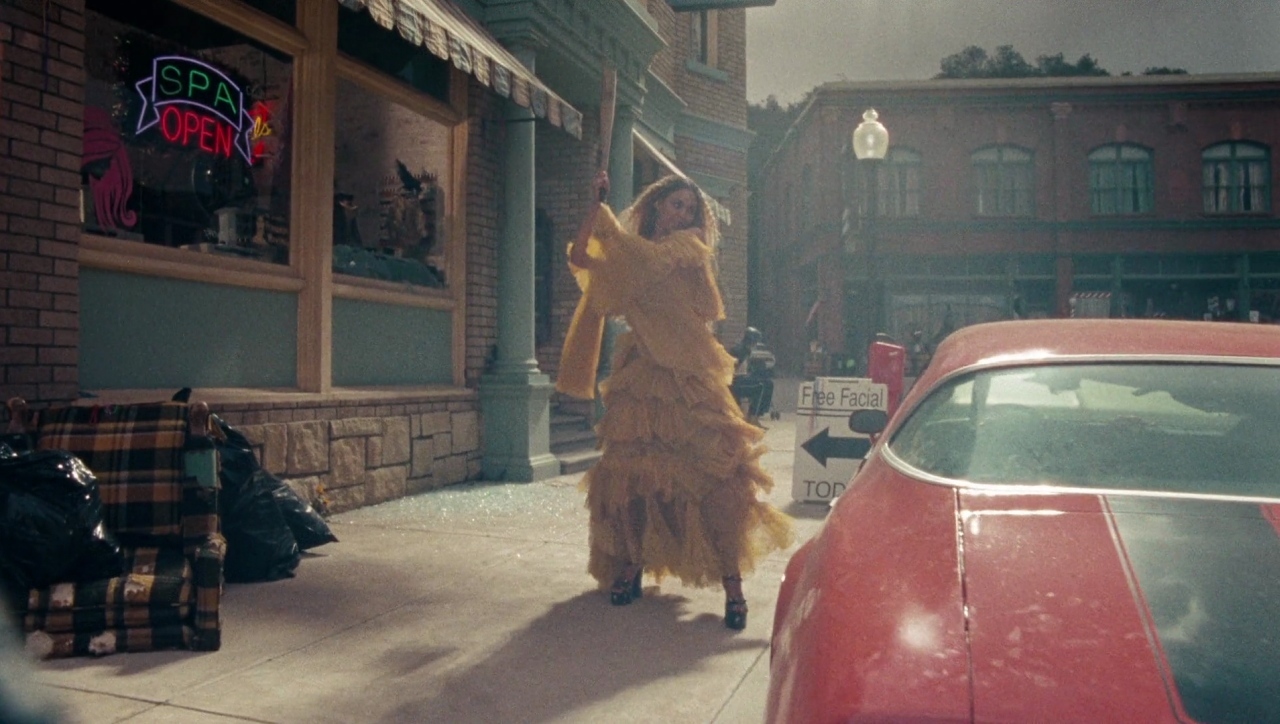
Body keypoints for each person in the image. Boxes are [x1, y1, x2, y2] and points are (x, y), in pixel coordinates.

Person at [557, 172, 794, 630]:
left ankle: (732, 584)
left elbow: (706, 306)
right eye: (677, 205)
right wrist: (594, 210)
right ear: (656, 207)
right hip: (642, 377)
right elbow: (581, 256)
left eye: (691, 209)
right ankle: (632, 566)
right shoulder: (630, 256)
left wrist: (618, 236)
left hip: (689, 378)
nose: (685, 215)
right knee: (635, 477)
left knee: (716, 475)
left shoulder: (684, 251)